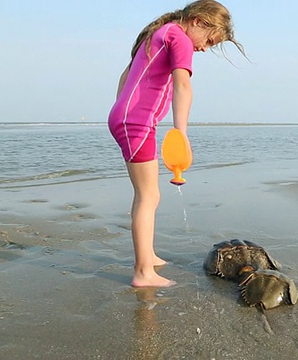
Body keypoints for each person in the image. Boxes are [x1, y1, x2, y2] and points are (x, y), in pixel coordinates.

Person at [108, 0, 244, 288]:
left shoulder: (159, 32)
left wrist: (121, 108)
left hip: (128, 118)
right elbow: (183, 85)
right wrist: (181, 133)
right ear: (197, 21)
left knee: (145, 194)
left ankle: (149, 256)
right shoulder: (179, 37)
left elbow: (126, 73)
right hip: (137, 122)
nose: (205, 48)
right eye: (209, 40)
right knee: (149, 196)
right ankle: (143, 272)